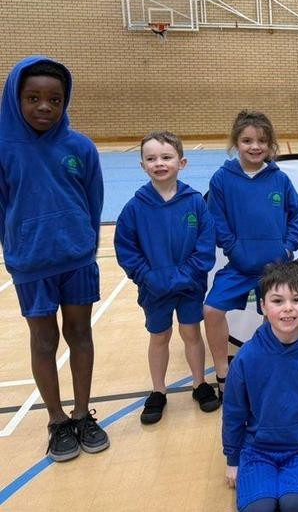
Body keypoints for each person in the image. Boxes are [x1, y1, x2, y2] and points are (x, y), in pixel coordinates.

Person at [0, 56, 109, 461]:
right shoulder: (4, 148)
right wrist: (18, 248)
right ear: (16, 99)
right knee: (43, 340)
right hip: (31, 264)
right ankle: (57, 420)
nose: (44, 106)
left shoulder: (79, 147)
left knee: (80, 334)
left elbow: (93, 202)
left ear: (65, 102)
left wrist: (82, 242)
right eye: (33, 98)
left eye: (54, 99)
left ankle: (82, 413)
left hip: (77, 260)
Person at [114, 131, 220, 424]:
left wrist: (185, 276)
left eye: (166, 157)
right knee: (159, 336)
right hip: (154, 289)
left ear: (181, 162)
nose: (159, 163)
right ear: (142, 165)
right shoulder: (134, 209)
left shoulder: (196, 203)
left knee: (190, 333)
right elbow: (127, 249)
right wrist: (148, 277)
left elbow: (205, 246)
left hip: (190, 287)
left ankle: (199, 384)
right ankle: (158, 391)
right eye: (151, 158)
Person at [222, 261, 298, 512]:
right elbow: (234, 412)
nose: (288, 309)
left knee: (294, 505)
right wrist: (233, 459)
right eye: (278, 301)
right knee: (260, 508)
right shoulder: (247, 356)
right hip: (258, 450)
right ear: (263, 306)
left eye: (297, 300)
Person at [204, 110, 298, 399]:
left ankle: (265, 367)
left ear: (270, 143)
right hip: (239, 265)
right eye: (247, 140)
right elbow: (216, 220)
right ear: (236, 142)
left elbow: (296, 214)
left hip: (275, 268)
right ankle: (223, 373)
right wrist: (233, 248)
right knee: (211, 310)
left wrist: (287, 247)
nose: (255, 146)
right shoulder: (222, 179)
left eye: (261, 140)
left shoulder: (279, 179)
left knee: (274, 316)